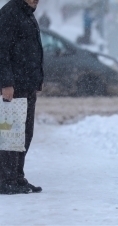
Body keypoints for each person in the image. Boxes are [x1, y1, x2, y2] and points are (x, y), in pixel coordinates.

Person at [0, 0, 44, 195]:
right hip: (14, 87)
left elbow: (32, 49)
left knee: (25, 134)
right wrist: (6, 83)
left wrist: (37, 79)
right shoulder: (10, 13)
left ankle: (17, 177)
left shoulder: (27, 13)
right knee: (10, 134)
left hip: (26, 85)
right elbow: (1, 50)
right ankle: (5, 179)